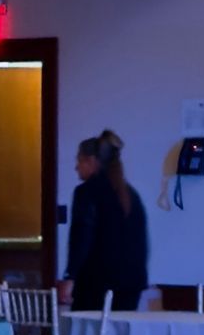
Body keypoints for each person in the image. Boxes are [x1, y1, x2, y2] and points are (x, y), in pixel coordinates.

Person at [60, 132, 148, 311]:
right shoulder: (131, 195)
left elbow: (81, 238)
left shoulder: (86, 192)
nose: (76, 167)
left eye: (79, 160)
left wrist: (70, 277)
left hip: (96, 283)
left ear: (91, 161)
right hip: (131, 284)